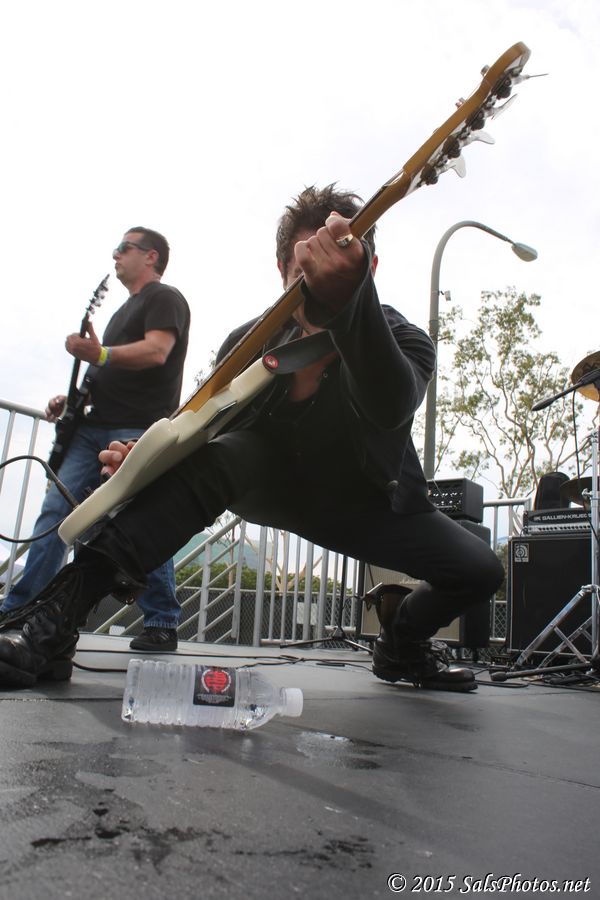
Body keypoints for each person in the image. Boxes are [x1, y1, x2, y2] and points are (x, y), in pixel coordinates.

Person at [0, 186, 504, 690]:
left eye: (337, 266)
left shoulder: (406, 338)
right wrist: (146, 461)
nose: (320, 281)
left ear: (368, 269)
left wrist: (350, 309)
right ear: (282, 270)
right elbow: (203, 435)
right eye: (306, 269)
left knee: (480, 569)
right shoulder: (247, 344)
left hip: (371, 503)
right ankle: (54, 621)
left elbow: (391, 404)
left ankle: (402, 643)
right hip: (271, 484)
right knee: (231, 454)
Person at [0, 227, 191, 652]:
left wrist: (99, 353)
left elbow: (156, 351)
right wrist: (71, 400)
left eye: (124, 247)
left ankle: (162, 620)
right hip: (93, 427)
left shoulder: (165, 298)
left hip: (135, 427)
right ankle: (21, 608)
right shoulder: (121, 312)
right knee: (56, 513)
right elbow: (110, 370)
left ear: (151, 256)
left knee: (136, 516)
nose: (115, 254)